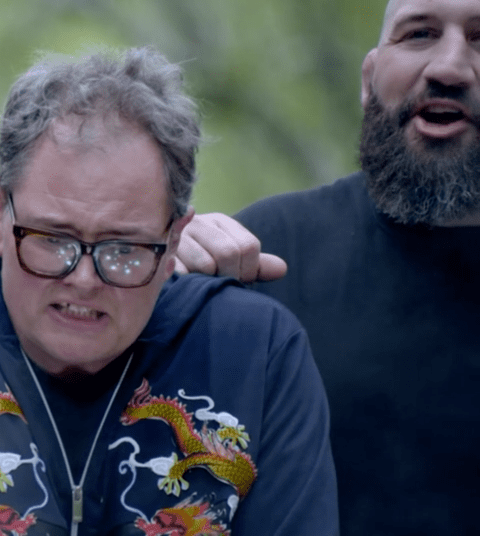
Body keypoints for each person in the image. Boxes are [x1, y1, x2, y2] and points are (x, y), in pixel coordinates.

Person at [0, 47, 337, 535]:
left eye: (124, 248)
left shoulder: (253, 353)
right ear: (0, 212)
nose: (84, 280)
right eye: (52, 239)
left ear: (174, 237)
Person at [175, 0, 480, 533]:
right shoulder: (260, 264)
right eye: (419, 33)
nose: (449, 67)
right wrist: (157, 291)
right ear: (368, 80)